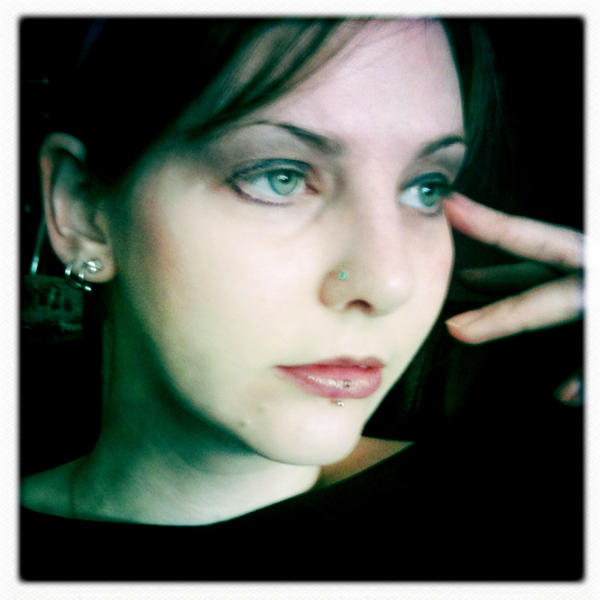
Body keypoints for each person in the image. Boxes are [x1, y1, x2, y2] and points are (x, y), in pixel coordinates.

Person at [20, 17, 583, 580]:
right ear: (83, 211)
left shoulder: (535, 517)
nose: (389, 284)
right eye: (280, 176)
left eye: (426, 188)